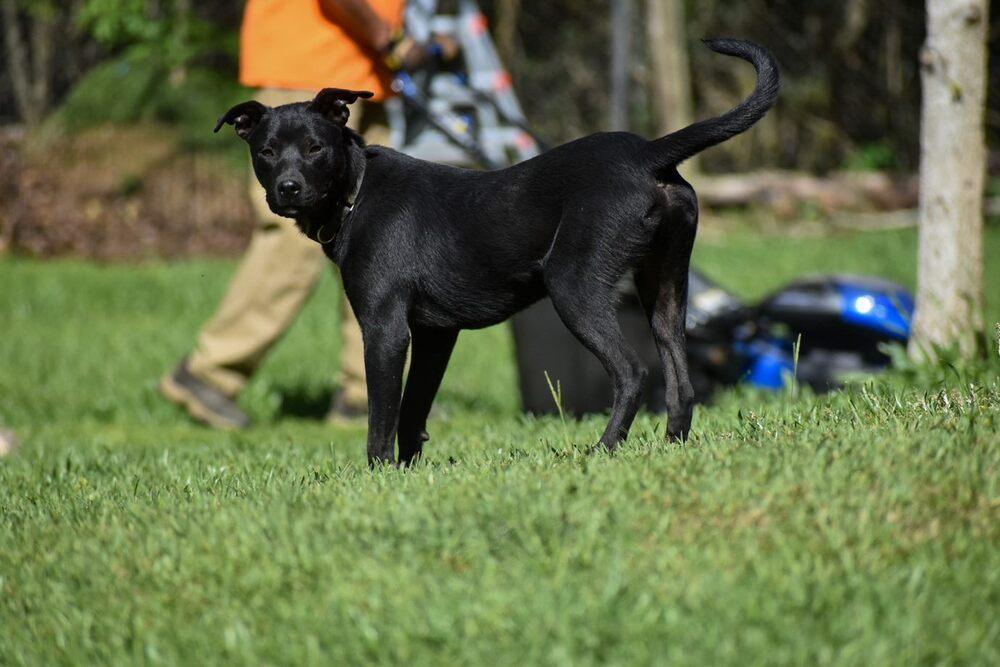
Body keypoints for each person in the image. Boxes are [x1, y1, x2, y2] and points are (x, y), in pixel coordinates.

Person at [160, 0, 454, 429]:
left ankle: (367, 394)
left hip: (361, 71)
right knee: (291, 242)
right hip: (308, 65)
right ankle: (210, 373)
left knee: (378, 237)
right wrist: (386, 36)